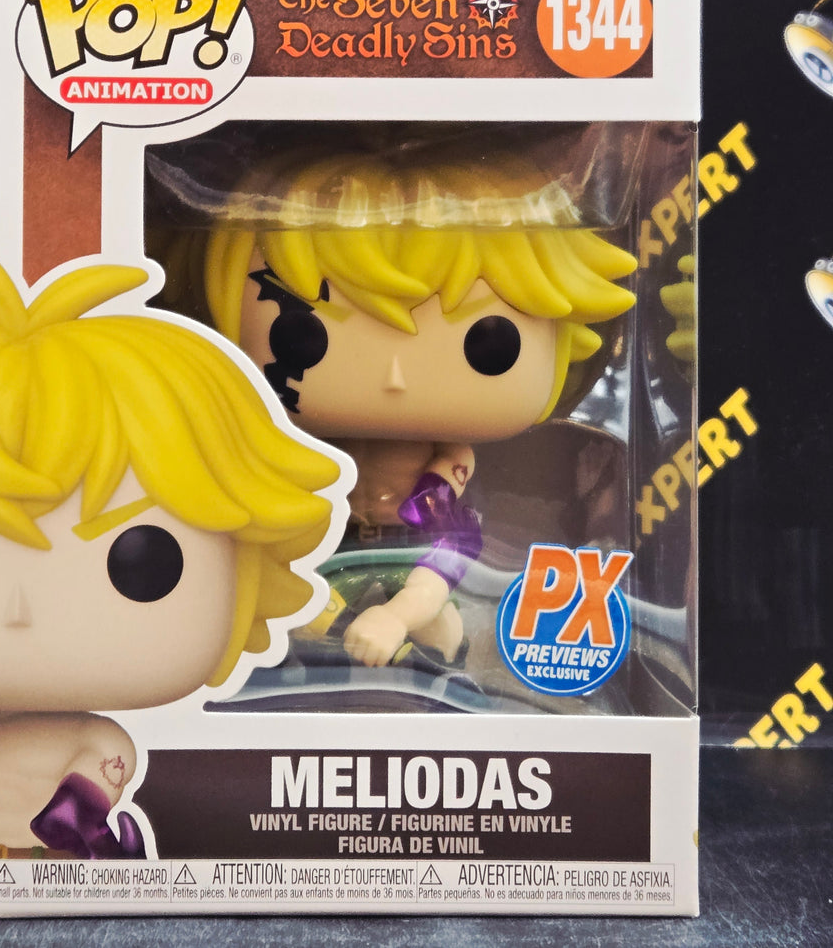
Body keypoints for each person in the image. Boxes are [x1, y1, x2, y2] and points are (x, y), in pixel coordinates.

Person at [195, 150, 637, 670]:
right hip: (331, 547)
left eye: (488, 344)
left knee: (436, 621)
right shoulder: (292, 450)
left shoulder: (446, 470)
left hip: (414, 551)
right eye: (301, 335)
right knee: (302, 614)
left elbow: (444, 554)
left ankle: (428, 661)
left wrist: (398, 615)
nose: (394, 378)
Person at [0, 256, 342, 858]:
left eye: (142, 563)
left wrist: (84, 836)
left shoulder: (98, 743)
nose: (15, 609)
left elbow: (83, 818)